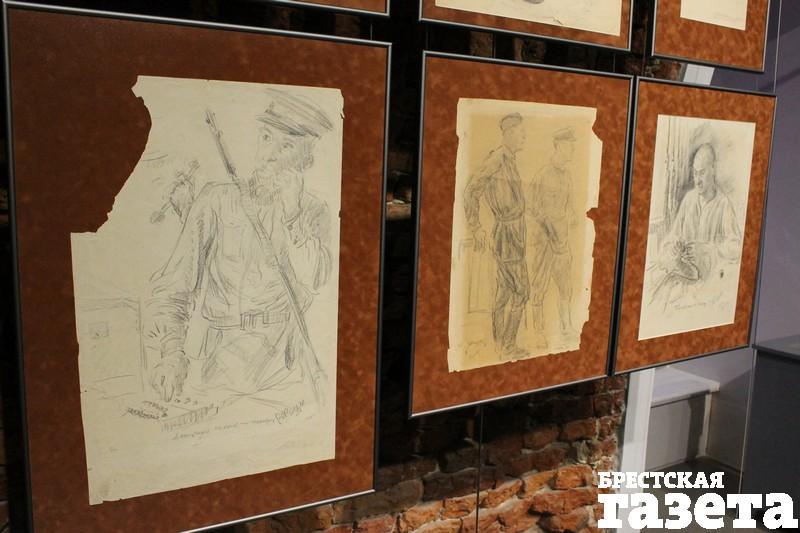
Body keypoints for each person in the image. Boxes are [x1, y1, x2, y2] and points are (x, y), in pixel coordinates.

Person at [145, 89, 334, 404]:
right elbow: (174, 285)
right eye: (266, 138)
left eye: (286, 146)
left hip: (284, 367)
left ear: (304, 160)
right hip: (219, 363)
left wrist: (292, 217)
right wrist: (171, 352)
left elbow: (315, 281)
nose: (270, 154)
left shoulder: (314, 211)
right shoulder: (216, 199)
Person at [464, 113, 529, 358]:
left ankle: (499, 345)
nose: (524, 137)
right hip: (507, 236)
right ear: (509, 133)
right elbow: (471, 190)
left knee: (505, 291)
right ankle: (508, 347)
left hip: (513, 233)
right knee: (521, 291)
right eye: (521, 133)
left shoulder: (509, 159)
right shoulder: (498, 159)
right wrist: (476, 227)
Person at [649, 143, 742, 308]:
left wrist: (708, 250)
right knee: (657, 295)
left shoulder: (724, 204)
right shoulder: (688, 200)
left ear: (713, 170)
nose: (697, 180)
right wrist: (673, 246)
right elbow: (672, 237)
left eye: (702, 173)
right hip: (684, 276)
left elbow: (736, 248)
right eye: (695, 173)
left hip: (708, 284)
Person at [528, 127, 579, 347]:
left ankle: (566, 326)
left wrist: (573, 217)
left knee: (566, 285)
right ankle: (539, 332)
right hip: (545, 241)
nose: (572, 150)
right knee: (539, 286)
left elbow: (571, 207)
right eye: (569, 146)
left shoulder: (567, 176)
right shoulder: (543, 175)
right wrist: (548, 227)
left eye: (573, 146)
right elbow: (533, 207)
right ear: (558, 146)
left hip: (562, 241)